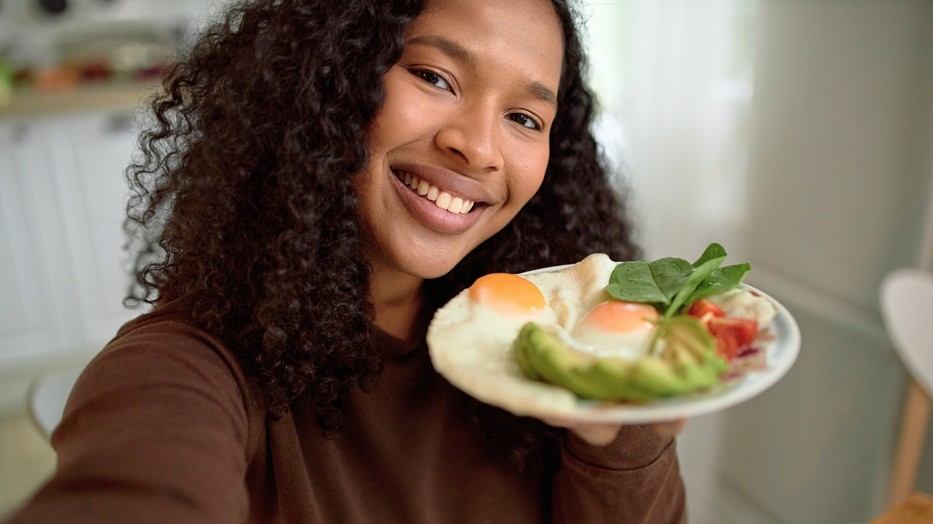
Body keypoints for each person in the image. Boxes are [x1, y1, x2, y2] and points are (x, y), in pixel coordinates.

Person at [5, 0, 686, 522]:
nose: (478, 148)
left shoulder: (550, 340)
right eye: (433, 76)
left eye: (525, 119)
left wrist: (618, 437)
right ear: (321, 81)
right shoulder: (187, 367)